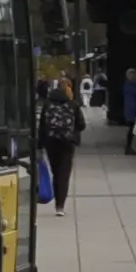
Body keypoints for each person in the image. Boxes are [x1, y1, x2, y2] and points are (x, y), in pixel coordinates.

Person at [34, 73, 80, 214]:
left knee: (55, 172)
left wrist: (40, 144)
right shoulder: (73, 105)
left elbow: (42, 126)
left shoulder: (48, 104)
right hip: (68, 143)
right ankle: (60, 206)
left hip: (51, 143)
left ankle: (56, 198)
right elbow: (82, 125)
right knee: (64, 174)